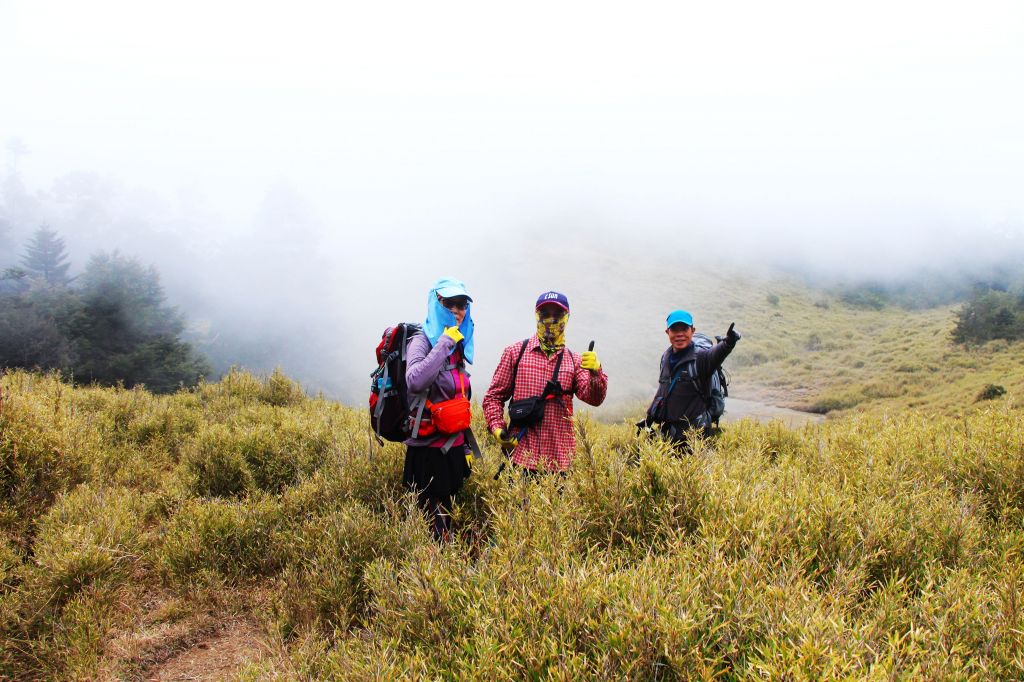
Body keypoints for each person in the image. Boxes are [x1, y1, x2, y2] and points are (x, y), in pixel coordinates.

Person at [483, 291, 608, 475]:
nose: (551, 319)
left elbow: (594, 399)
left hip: (560, 463)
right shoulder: (515, 353)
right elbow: (494, 397)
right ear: (537, 315)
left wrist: (596, 372)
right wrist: (497, 428)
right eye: (545, 314)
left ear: (567, 317)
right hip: (520, 458)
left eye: (557, 314)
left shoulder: (575, 361)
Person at [403, 277, 477, 541]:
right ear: (436, 304)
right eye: (450, 304)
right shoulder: (422, 341)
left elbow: (459, 397)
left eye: (462, 304)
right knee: (432, 526)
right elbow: (414, 381)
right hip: (428, 453)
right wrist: (444, 343)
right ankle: (434, 563)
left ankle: (451, 559)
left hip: (453, 449)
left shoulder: (458, 344)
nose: (457, 310)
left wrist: (466, 447)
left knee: (450, 519)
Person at [643, 309, 741, 447]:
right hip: (669, 434)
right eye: (674, 329)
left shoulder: (701, 358)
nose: (680, 334)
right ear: (667, 332)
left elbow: (716, 354)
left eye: (684, 329)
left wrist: (728, 343)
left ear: (692, 331)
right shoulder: (666, 357)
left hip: (695, 437)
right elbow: (663, 391)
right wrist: (650, 417)